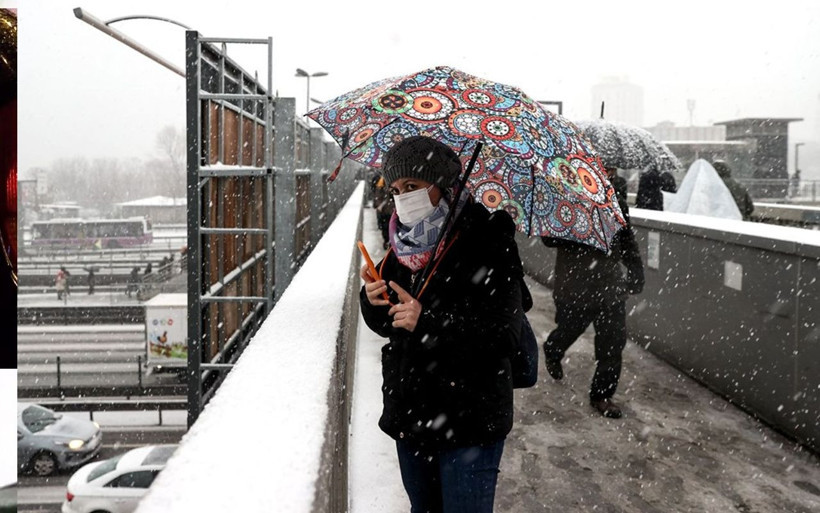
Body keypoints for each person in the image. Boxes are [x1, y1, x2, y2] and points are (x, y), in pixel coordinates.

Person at [359, 135, 527, 513]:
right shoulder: (401, 246)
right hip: (413, 415)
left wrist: (428, 322)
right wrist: (371, 300)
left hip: (470, 420)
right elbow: (389, 323)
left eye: (414, 187)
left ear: (442, 185)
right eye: (397, 188)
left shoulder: (489, 238)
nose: (403, 198)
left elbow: (503, 337)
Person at [541, 192, 644, 419]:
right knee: (570, 329)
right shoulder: (565, 194)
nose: (610, 172)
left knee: (613, 342)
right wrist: (578, 223)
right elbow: (548, 239)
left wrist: (636, 270)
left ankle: (602, 395)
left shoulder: (615, 199)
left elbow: (626, 238)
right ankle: (553, 348)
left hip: (610, 286)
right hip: (574, 285)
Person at [371, 174, 395, 249]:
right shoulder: (381, 183)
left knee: (388, 228)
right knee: (387, 228)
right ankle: (388, 242)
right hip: (386, 211)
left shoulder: (381, 183)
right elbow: (378, 197)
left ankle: (389, 243)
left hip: (387, 211)